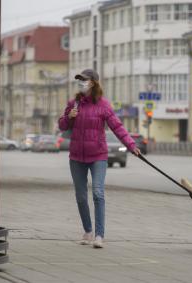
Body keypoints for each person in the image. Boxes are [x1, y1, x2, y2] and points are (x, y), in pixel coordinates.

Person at [58, 69, 141, 248]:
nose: (81, 83)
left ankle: (99, 235)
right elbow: (62, 126)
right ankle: (88, 231)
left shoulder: (103, 105)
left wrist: (131, 145)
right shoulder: (74, 103)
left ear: (93, 83)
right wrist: (68, 117)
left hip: (98, 156)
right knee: (80, 197)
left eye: (84, 80)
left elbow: (117, 127)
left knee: (98, 193)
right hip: (77, 157)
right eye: (79, 80)